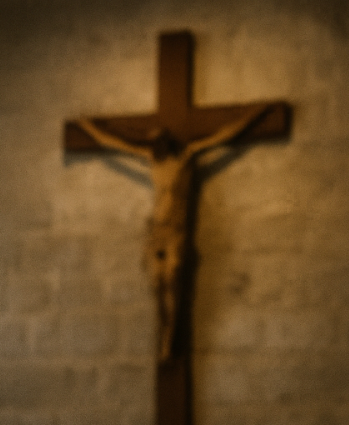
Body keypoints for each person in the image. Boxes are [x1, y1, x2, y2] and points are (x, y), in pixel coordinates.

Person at [76, 106, 268, 360]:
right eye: (153, 138)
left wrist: (254, 115)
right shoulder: (149, 158)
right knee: (157, 284)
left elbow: (223, 135)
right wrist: (87, 126)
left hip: (176, 232)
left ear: (167, 140)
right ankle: (161, 330)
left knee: (174, 279)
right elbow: (111, 142)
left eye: (160, 137)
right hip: (156, 231)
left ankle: (170, 337)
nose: (156, 141)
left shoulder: (186, 156)